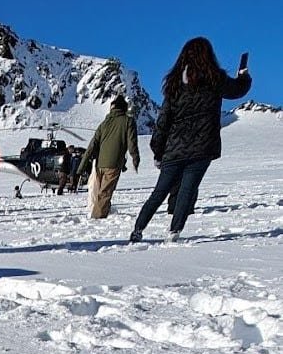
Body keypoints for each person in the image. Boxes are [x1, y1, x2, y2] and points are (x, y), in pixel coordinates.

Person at [130, 38, 251, 242]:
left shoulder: (175, 84)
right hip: (202, 147)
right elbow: (238, 90)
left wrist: (158, 151)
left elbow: (163, 122)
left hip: (174, 148)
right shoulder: (215, 79)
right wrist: (244, 76)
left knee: (159, 192)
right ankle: (174, 232)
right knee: (187, 189)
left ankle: (138, 229)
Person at [76, 96, 140, 218]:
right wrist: (135, 159)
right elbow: (132, 143)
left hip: (99, 164)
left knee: (99, 192)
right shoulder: (128, 121)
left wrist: (81, 167)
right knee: (105, 193)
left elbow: (91, 146)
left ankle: (103, 211)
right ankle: (97, 218)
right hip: (113, 164)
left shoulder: (104, 124)